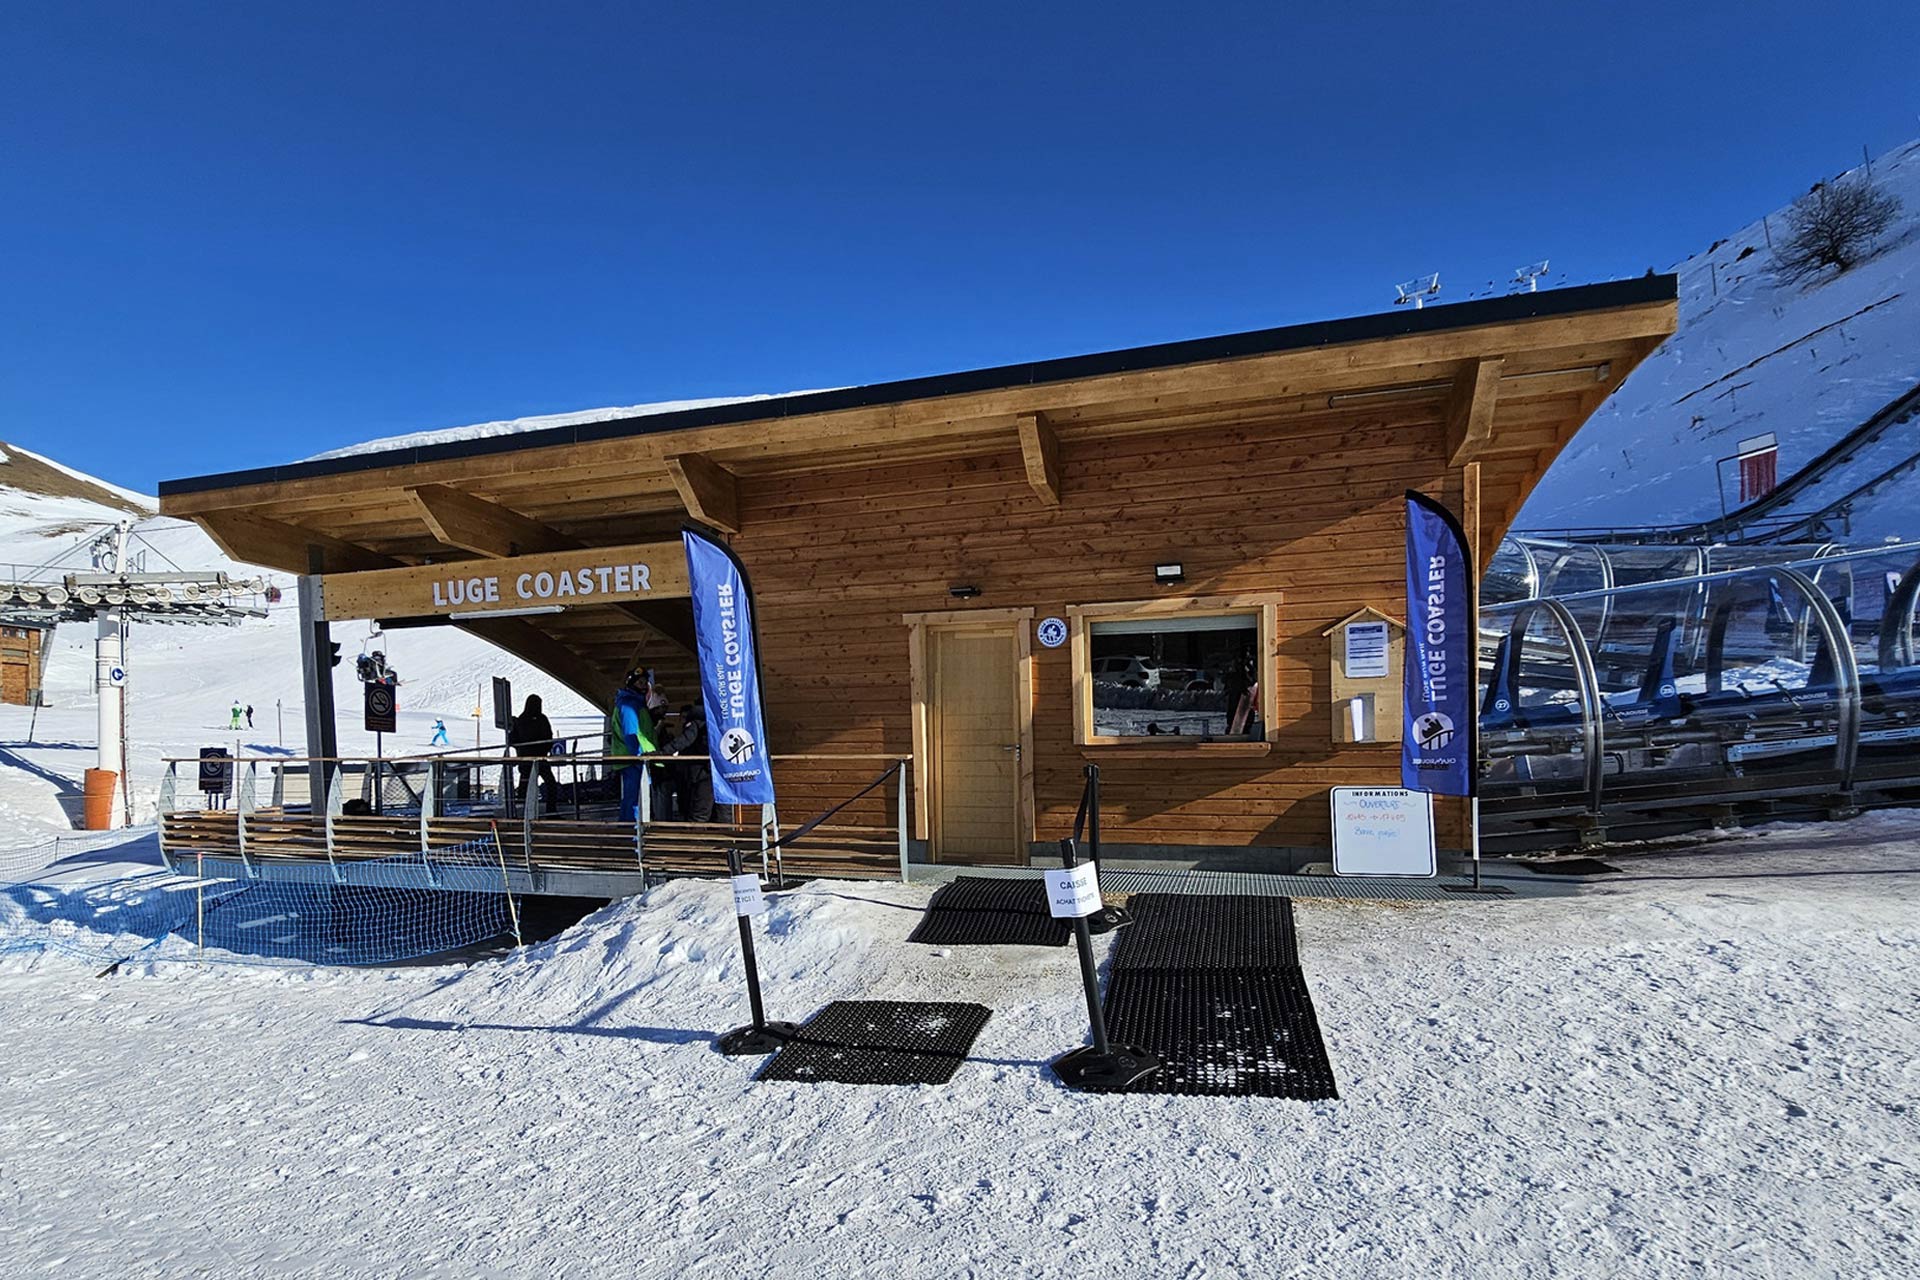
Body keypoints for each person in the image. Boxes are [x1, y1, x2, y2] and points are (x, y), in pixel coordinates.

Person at [611, 670, 660, 823]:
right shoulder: (629, 705)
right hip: (634, 759)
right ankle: (633, 832)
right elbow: (631, 733)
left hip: (637, 757)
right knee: (636, 799)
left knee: (633, 797)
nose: (644, 686)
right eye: (640, 683)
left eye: (645, 682)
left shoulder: (636, 703)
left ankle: (629, 832)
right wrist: (639, 756)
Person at [662, 703, 713, 823]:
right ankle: (724, 840)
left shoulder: (697, 721)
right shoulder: (723, 718)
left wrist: (663, 752)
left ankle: (695, 839)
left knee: (699, 813)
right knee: (721, 813)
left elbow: (684, 740)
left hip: (700, 772)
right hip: (720, 772)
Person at [508, 694, 559, 813]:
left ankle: (522, 812)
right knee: (550, 784)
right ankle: (550, 811)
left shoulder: (521, 719)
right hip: (539, 759)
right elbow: (548, 737)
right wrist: (544, 750)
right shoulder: (541, 719)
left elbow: (513, 740)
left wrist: (521, 750)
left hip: (526, 759)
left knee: (525, 787)